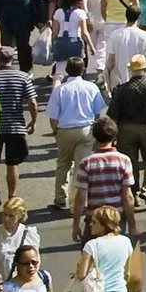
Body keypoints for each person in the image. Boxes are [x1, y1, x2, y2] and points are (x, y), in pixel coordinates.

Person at [106, 52, 146, 206]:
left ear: (130, 71)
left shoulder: (122, 89)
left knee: (129, 163)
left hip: (125, 129)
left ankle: (132, 195)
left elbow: (112, 115)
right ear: (145, 70)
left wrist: (112, 136)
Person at [45, 59, 106, 214]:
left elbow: (53, 116)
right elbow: (98, 113)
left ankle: (60, 198)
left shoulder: (60, 90)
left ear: (67, 70)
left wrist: (55, 131)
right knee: (81, 167)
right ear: (83, 69)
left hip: (65, 130)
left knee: (63, 164)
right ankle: (76, 203)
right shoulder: (91, 87)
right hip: (86, 130)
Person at [0, 45, 37, 205]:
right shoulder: (22, 77)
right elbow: (32, 102)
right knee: (12, 163)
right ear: (12, 59)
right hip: (15, 126)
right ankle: (12, 195)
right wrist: (33, 121)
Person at [72, 116, 137, 237]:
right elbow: (127, 196)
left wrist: (75, 225)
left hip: (95, 218)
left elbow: (81, 197)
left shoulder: (86, 162)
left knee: (91, 252)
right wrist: (133, 227)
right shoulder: (124, 160)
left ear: (95, 137)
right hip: (116, 217)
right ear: (114, 137)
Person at [0, 197, 43, 278]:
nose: (6, 219)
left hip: (22, 285)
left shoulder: (29, 234)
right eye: (4, 214)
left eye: (11, 216)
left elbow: (35, 262)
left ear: (21, 216)